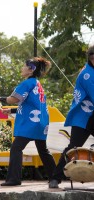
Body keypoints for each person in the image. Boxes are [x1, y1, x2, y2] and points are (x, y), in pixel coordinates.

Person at [0, 57, 56, 186]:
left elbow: (13, 99)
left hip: (31, 123)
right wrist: (11, 111)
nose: (22, 68)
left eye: (24, 66)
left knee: (16, 148)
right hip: (40, 122)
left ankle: (14, 179)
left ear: (31, 69)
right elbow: (31, 104)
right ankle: (55, 177)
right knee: (43, 151)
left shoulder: (27, 83)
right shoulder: (37, 84)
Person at [49, 45, 94, 188]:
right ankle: (55, 178)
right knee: (73, 147)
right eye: (92, 57)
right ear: (90, 57)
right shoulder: (87, 74)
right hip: (83, 117)